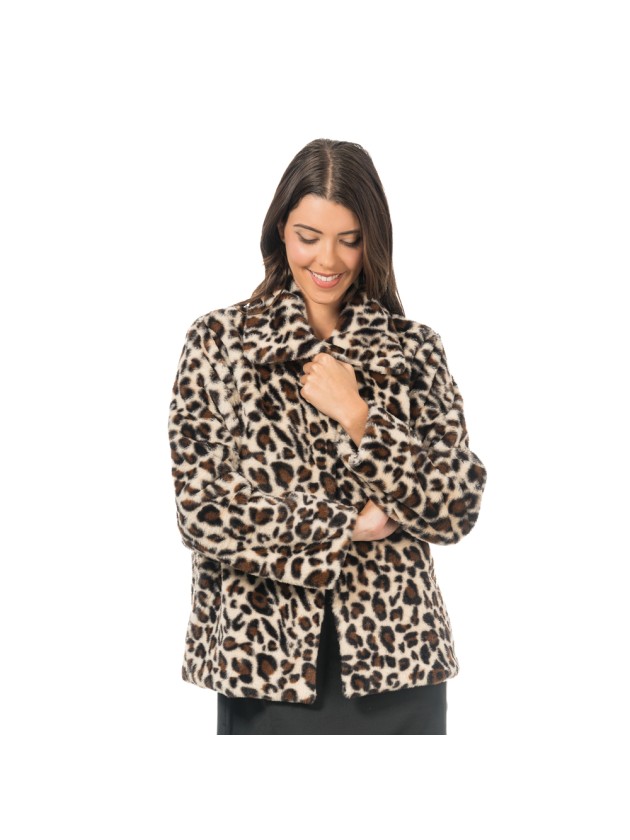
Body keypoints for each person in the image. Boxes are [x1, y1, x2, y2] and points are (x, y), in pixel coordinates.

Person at [168, 138, 487, 735]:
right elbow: (203, 511)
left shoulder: (415, 349)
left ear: (373, 241)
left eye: (349, 239)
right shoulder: (219, 343)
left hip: (399, 662)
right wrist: (345, 529)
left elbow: (455, 507)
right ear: (280, 232)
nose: (329, 259)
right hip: (262, 660)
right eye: (309, 236)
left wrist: (360, 417)